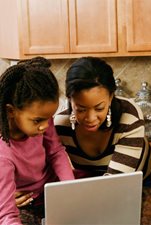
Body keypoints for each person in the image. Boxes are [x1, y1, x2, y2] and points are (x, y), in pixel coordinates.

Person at [54, 57, 151, 184]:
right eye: (81, 109)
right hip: (91, 184)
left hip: (140, 181)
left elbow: (115, 183)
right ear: (70, 100)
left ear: (111, 97)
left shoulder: (129, 117)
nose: (90, 118)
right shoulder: (60, 125)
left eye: (99, 108)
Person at [0, 57, 74, 225]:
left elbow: (56, 152)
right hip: (25, 202)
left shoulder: (41, 121)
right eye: (38, 120)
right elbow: (6, 215)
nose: (45, 127)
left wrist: (71, 189)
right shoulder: (3, 155)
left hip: (51, 191)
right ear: (11, 111)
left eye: (48, 119)